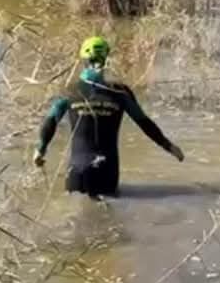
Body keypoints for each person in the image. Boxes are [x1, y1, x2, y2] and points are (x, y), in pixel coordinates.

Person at [33, 36, 185, 199]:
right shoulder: (120, 92)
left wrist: (40, 151)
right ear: (106, 59)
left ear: (82, 59)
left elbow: (50, 121)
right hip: (106, 171)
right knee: (108, 216)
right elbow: (144, 122)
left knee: (76, 217)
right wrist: (169, 146)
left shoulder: (69, 91)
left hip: (75, 172)